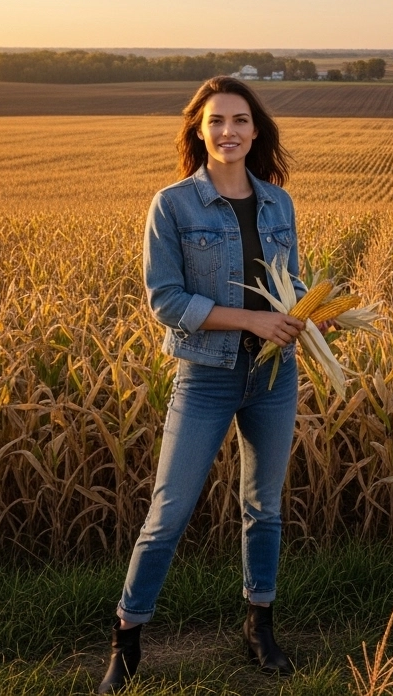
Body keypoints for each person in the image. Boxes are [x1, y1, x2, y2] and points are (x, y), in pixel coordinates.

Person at [98, 76, 318, 693]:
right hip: (207, 375)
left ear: (256, 130)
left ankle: (259, 626)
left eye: (241, 121)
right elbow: (166, 300)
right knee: (167, 513)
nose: (230, 132)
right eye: (217, 120)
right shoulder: (173, 204)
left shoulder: (279, 203)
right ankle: (127, 637)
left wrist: (310, 314)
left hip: (273, 376)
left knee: (263, 507)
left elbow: (288, 283)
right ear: (198, 128)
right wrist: (251, 318)